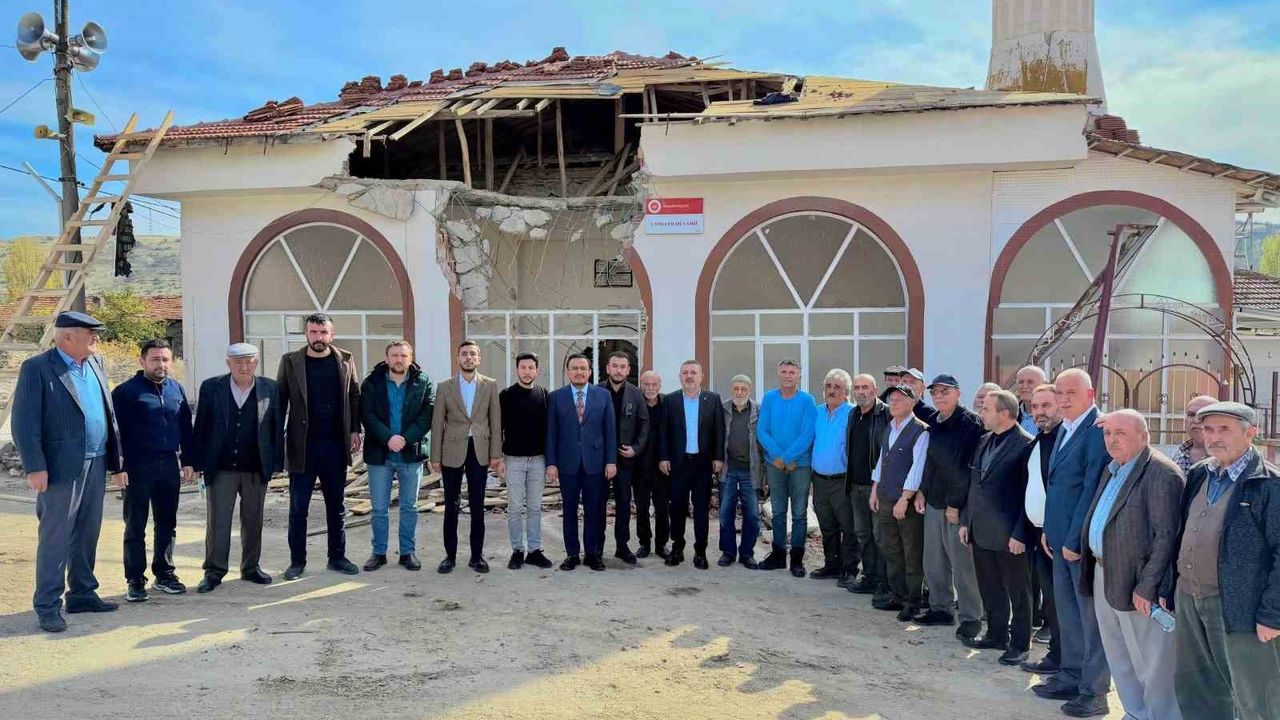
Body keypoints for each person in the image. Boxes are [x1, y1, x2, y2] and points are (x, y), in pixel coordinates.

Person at [13, 311, 125, 633]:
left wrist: (117, 462)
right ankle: (48, 605)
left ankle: (83, 593)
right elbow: (24, 422)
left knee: (88, 531)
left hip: (97, 459)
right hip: (60, 468)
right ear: (66, 338)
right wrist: (35, 466)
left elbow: (107, 412)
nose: (96, 339)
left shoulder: (95, 363)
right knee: (56, 536)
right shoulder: (37, 368)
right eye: (89, 334)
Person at [1171, 402, 1280, 720]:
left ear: (1251, 434)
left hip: (1240, 608)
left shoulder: (1269, 484)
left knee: (1255, 696)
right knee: (1197, 687)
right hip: (1190, 599)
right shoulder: (1199, 474)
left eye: (1224, 429)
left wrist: (1273, 615)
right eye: (1208, 429)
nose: (1214, 437)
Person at [1078, 409, 1183, 720]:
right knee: (1118, 653)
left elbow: (1166, 536)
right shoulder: (1113, 468)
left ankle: (1161, 715)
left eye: (1120, 433)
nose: (1112, 440)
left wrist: (1148, 585)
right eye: (1108, 434)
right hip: (1103, 571)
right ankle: (1136, 712)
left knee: (1151, 659)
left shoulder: (1162, 473)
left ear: (1143, 436)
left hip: (1137, 581)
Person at [1031, 369, 1112, 718]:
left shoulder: (1096, 432)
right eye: (1059, 393)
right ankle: (1070, 676)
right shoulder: (1066, 429)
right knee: (1068, 614)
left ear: (1091, 395)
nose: (1064, 399)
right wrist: (1050, 529)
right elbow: (1059, 486)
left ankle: (1094, 692)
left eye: (1071, 393)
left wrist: (1075, 538)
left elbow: (1091, 488)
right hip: (1058, 539)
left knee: (1089, 619)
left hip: (1078, 545)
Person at [191, 343, 283, 594]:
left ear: (256, 362)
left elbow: (276, 428)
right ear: (228, 363)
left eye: (249, 361)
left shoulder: (270, 387)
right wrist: (196, 462)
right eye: (238, 362)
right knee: (218, 520)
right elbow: (201, 426)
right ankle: (214, 570)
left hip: (255, 466)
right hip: (221, 467)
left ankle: (251, 567)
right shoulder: (212, 387)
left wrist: (276, 463)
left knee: (253, 520)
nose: (244, 367)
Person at [277, 313, 362, 580]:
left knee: (336, 504)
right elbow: (280, 400)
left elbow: (354, 396)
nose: (318, 337)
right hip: (302, 446)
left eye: (323, 332)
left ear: (332, 334)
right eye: (313, 332)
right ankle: (296, 561)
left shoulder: (345, 359)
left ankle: (337, 557)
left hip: (335, 445)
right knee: (298, 507)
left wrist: (354, 430)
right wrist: (277, 440)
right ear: (306, 334)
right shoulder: (291, 361)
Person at [112, 338, 195, 601]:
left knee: (167, 523)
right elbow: (114, 434)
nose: (161, 364)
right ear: (142, 361)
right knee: (135, 525)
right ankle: (135, 579)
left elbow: (186, 429)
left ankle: (165, 573)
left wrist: (190, 461)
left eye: (165, 359)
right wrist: (117, 466)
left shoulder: (176, 390)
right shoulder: (126, 392)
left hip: (168, 464)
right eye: (155, 359)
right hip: (137, 466)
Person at [960, 389, 1035, 666]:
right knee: (989, 585)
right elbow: (974, 484)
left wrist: (1020, 533)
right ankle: (996, 633)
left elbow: (1029, 495)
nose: (982, 413)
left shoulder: (1027, 445)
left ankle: (1019, 643)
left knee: (1018, 590)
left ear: (1004, 413)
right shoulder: (983, 441)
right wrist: (967, 521)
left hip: (1010, 534)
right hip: (980, 529)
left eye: (987, 409)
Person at [916, 374, 985, 637]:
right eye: (935, 393)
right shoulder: (934, 420)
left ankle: (970, 617)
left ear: (958, 394)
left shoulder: (970, 424)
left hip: (957, 504)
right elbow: (930, 461)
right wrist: (922, 491)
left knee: (962, 564)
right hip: (933, 500)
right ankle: (941, 609)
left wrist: (955, 504)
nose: (940, 396)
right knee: (933, 560)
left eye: (945, 391)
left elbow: (965, 468)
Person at [360, 340, 434, 572]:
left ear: (410, 358)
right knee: (379, 508)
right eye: (394, 355)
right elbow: (367, 414)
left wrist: (405, 438)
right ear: (387, 358)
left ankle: (407, 553)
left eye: (403, 355)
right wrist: (388, 438)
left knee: (409, 507)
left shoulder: (423, 381)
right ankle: (379, 553)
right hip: (380, 452)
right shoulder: (372, 382)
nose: (398, 359)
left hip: (410, 453)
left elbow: (427, 413)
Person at [429, 340, 503, 574]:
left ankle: (477, 556)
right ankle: (449, 556)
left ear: (478, 359)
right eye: (464, 354)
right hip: (452, 450)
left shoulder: (489, 385)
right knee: (451, 505)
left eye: (473, 354)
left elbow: (495, 420)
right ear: (458, 358)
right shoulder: (445, 387)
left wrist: (495, 454)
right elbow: (437, 422)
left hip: (479, 451)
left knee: (478, 505)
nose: (468, 357)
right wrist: (435, 455)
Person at [547, 354, 617, 571]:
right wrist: (551, 463)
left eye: (583, 368)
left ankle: (592, 554)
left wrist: (611, 461)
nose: (579, 372)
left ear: (590, 372)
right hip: (567, 464)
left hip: (595, 464)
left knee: (594, 511)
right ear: (568, 372)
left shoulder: (603, 396)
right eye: (574, 368)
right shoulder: (556, 397)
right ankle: (572, 554)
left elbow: (610, 431)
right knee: (568, 511)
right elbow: (551, 433)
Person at [870, 384, 930, 621]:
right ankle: (897, 595)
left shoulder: (921, 431)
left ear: (912, 402)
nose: (893, 403)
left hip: (904, 502)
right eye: (891, 399)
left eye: (899, 399)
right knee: (891, 550)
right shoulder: (890, 428)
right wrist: (875, 489)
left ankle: (913, 601)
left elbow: (918, 468)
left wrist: (905, 499)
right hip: (885, 497)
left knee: (911, 552)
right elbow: (881, 461)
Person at [657, 360, 725, 569]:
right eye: (685, 372)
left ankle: (700, 551)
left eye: (693, 372)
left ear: (701, 376)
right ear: (680, 376)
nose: (689, 376)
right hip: (678, 464)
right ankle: (677, 547)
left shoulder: (712, 400)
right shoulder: (670, 400)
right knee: (677, 508)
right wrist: (663, 457)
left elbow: (719, 431)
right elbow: (663, 432)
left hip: (702, 465)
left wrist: (718, 457)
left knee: (701, 510)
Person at [756, 359, 816, 575]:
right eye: (784, 372)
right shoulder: (770, 398)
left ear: (799, 375)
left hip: (800, 466)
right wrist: (780, 458)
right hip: (775, 465)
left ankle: (798, 559)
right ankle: (778, 555)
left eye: (792, 372)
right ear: (778, 374)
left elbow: (808, 434)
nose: (788, 375)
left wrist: (789, 457)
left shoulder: (807, 401)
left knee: (799, 513)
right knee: (779, 512)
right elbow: (762, 431)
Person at [1021, 384, 1064, 675]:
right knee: (1050, 598)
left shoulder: (1066, 440)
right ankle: (1056, 655)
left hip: (1060, 537)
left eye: (1046, 405)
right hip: (1039, 535)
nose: (1039, 412)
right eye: (1035, 407)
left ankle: (1063, 659)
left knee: (1062, 603)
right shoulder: (1040, 440)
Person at [499, 352, 553, 570]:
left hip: (538, 460)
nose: (527, 371)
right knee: (514, 508)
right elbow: (498, 428)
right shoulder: (506, 395)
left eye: (531, 368)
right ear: (517, 370)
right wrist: (500, 459)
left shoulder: (544, 395)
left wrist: (551, 462)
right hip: (513, 460)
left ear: (537, 371)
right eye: (523, 367)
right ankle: (516, 551)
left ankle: (534, 550)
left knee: (534, 507)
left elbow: (549, 431)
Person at [809, 370, 857, 585]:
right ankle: (832, 565)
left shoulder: (853, 413)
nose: (832, 390)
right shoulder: (816, 412)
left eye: (837, 387)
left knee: (848, 526)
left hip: (842, 480)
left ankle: (849, 569)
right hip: (819, 479)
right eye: (829, 386)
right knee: (827, 525)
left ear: (846, 392)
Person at [845, 374, 889, 597]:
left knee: (880, 536)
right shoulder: (853, 414)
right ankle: (870, 576)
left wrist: (880, 484)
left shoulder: (886, 414)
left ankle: (884, 581)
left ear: (874, 390)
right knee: (863, 534)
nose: (860, 391)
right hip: (855, 485)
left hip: (877, 488)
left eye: (865, 387)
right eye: (857, 387)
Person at [604, 351, 649, 564]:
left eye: (623, 366)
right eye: (615, 366)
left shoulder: (636, 394)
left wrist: (636, 449)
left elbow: (644, 424)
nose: (618, 370)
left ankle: (622, 546)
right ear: (608, 368)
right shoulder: (596, 392)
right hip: (601, 459)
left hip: (625, 460)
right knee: (597, 505)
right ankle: (595, 547)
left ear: (629, 370)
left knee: (623, 504)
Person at [719, 374, 763, 569]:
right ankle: (728, 552)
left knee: (752, 515)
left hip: (750, 471)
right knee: (725, 513)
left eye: (743, 389)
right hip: (728, 470)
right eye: (736, 388)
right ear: (731, 389)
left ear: (749, 390)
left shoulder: (758, 411)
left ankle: (747, 553)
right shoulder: (723, 409)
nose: (739, 392)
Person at [634, 370, 670, 559]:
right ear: (641, 385)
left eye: (653, 385)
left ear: (659, 385)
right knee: (641, 507)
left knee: (662, 508)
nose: (650, 388)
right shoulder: (636, 404)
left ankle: (661, 544)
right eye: (646, 384)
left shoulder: (668, 404)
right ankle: (644, 543)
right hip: (640, 467)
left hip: (662, 467)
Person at [1170, 395, 1217, 475]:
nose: (1196, 421)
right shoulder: (1179, 454)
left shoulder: (1229, 458)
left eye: (1202, 416)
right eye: (1191, 415)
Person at [1015, 366, 1048, 435]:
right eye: (1021, 382)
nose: (1025, 386)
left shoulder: (1054, 415)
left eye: (1030, 382)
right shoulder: (1011, 414)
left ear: (1044, 384)